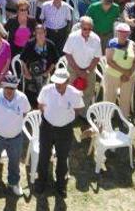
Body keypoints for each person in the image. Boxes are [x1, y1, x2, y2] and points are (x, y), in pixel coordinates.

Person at [33, 68, 83, 198]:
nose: (58, 85)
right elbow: (40, 105)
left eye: (61, 83)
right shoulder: (46, 90)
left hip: (65, 130)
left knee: (62, 157)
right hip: (47, 127)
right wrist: (51, 117)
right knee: (44, 155)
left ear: (67, 81)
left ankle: (61, 185)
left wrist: (66, 119)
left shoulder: (75, 93)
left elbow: (78, 109)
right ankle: (41, 181)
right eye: (56, 82)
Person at [0, 73, 29, 198]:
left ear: (16, 87)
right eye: (7, 87)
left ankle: (13, 183)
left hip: (16, 137)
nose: (9, 91)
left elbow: (24, 113)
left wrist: (12, 124)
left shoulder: (22, 98)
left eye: (12, 88)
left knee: (14, 162)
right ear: (2, 86)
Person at [63, 16, 101, 107]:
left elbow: (96, 58)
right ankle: (70, 109)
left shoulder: (96, 39)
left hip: (89, 69)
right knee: (70, 90)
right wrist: (78, 71)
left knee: (88, 91)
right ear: (81, 27)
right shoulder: (72, 37)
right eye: (84, 28)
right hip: (73, 68)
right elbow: (68, 54)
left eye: (89, 29)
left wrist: (87, 71)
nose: (87, 31)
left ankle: (84, 112)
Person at [102, 23, 135, 117]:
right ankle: (108, 116)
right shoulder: (111, 43)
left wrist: (128, 74)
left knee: (126, 98)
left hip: (129, 76)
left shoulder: (132, 44)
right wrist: (124, 72)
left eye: (126, 32)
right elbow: (109, 61)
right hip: (112, 75)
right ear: (117, 32)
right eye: (121, 32)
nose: (123, 34)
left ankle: (124, 117)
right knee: (109, 97)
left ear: (129, 33)